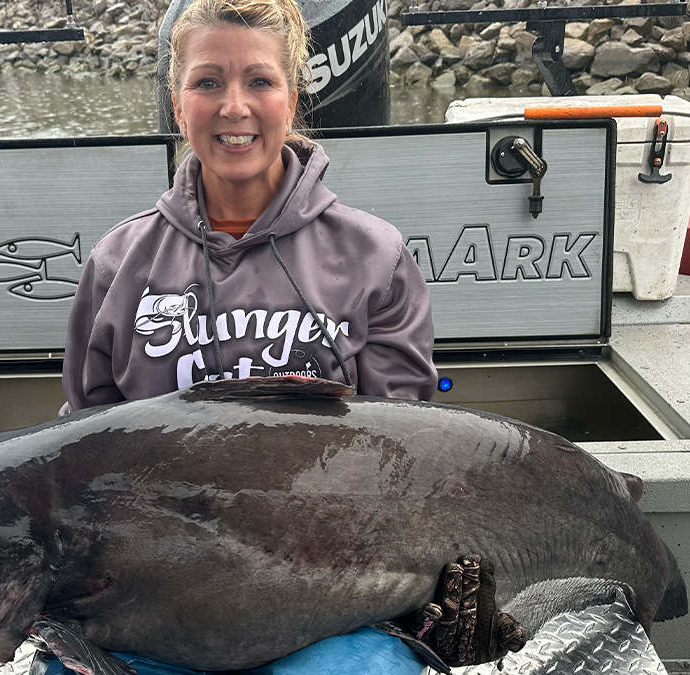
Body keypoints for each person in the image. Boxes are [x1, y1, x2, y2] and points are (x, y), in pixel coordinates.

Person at [58, 0, 437, 671]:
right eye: (207, 82)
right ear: (178, 105)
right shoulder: (118, 263)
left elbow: (406, 453)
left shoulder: (376, 254)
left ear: (292, 96)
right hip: (151, 617)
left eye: (259, 81)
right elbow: (80, 458)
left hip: (324, 616)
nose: (234, 107)